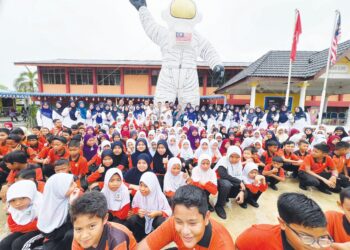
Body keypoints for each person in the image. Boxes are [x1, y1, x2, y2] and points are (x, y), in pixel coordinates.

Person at [137, 185, 234, 250]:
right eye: (179, 221)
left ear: (206, 218)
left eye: (192, 223)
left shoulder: (223, 246)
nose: (185, 231)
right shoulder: (173, 222)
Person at [236, 192, 333, 250]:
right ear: (282, 223)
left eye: (322, 238)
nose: (316, 247)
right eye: (307, 238)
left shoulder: (324, 245)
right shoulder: (257, 236)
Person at [70, 191, 137, 250]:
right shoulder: (79, 237)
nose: (84, 236)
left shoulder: (117, 240)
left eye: (92, 226)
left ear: (105, 219)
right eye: (78, 229)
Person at [37, 173, 80, 250]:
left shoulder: (74, 197)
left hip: (69, 235)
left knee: (70, 234)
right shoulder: (47, 207)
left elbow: (78, 222)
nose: (76, 185)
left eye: (74, 182)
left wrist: (72, 205)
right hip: (55, 237)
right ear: (59, 190)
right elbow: (48, 233)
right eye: (71, 184)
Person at [125, 172, 172, 242]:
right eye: (141, 185)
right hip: (143, 220)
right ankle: (138, 239)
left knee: (161, 221)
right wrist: (138, 211)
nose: (142, 189)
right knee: (133, 219)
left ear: (152, 186)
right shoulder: (139, 193)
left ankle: (158, 240)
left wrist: (158, 213)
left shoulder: (159, 195)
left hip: (155, 220)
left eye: (146, 186)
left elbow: (169, 211)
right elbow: (134, 207)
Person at [0, 180, 44, 250]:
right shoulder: (13, 209)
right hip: (24, 230)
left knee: (18, 245)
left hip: (43, 231)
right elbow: (13, 226)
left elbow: (45, 224)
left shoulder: (40, 204)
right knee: (4, 244)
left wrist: (25, 226)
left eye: (22, 198)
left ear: (30, 195)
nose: (18, 203)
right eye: (13, 200)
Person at [214, 146, 247, 219]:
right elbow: (223, 175)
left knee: (244, 187)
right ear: (228, 155)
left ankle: (230, 197)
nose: (234, 159)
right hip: (219, 181)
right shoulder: (223, 160)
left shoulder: (239, 164)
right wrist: (239, 182)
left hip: (231, 181)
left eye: (237, 157)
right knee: (226, 184)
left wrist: (242, 191)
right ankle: (219, 206)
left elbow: (241, 177)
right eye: (231, 156)